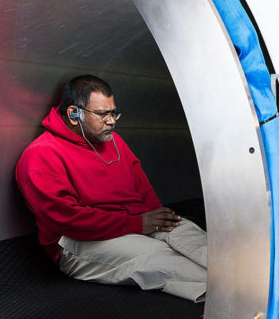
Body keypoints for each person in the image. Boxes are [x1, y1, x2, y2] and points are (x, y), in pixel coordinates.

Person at [16, 75, 208, 302]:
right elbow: (68, 220)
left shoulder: (114, 142)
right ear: (73, 114)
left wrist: (160, 221)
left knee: (192, 238)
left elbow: (143, 192)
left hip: (131, 222)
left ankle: (254, 278)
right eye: (102, 114)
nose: (111, 121)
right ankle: (232, 295)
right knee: (165, 259)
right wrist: (136, 223)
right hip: (77, 240)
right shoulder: (40, 156)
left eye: (113, 113)